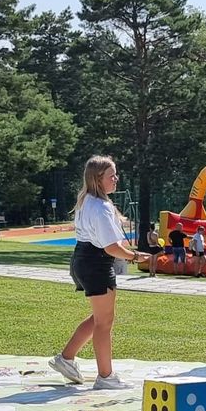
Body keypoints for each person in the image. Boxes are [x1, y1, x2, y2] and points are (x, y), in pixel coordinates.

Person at [49, 155, 141, 390]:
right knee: (104, 323)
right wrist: (136, 257)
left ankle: (66, 358)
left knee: (100, 319)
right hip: (96, 263)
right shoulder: (99, 207)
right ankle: (105, 377)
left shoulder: (89, 201)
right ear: (98, 179)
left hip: (85, 260)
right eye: (112, 176)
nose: (116, 179)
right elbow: (110, 246)